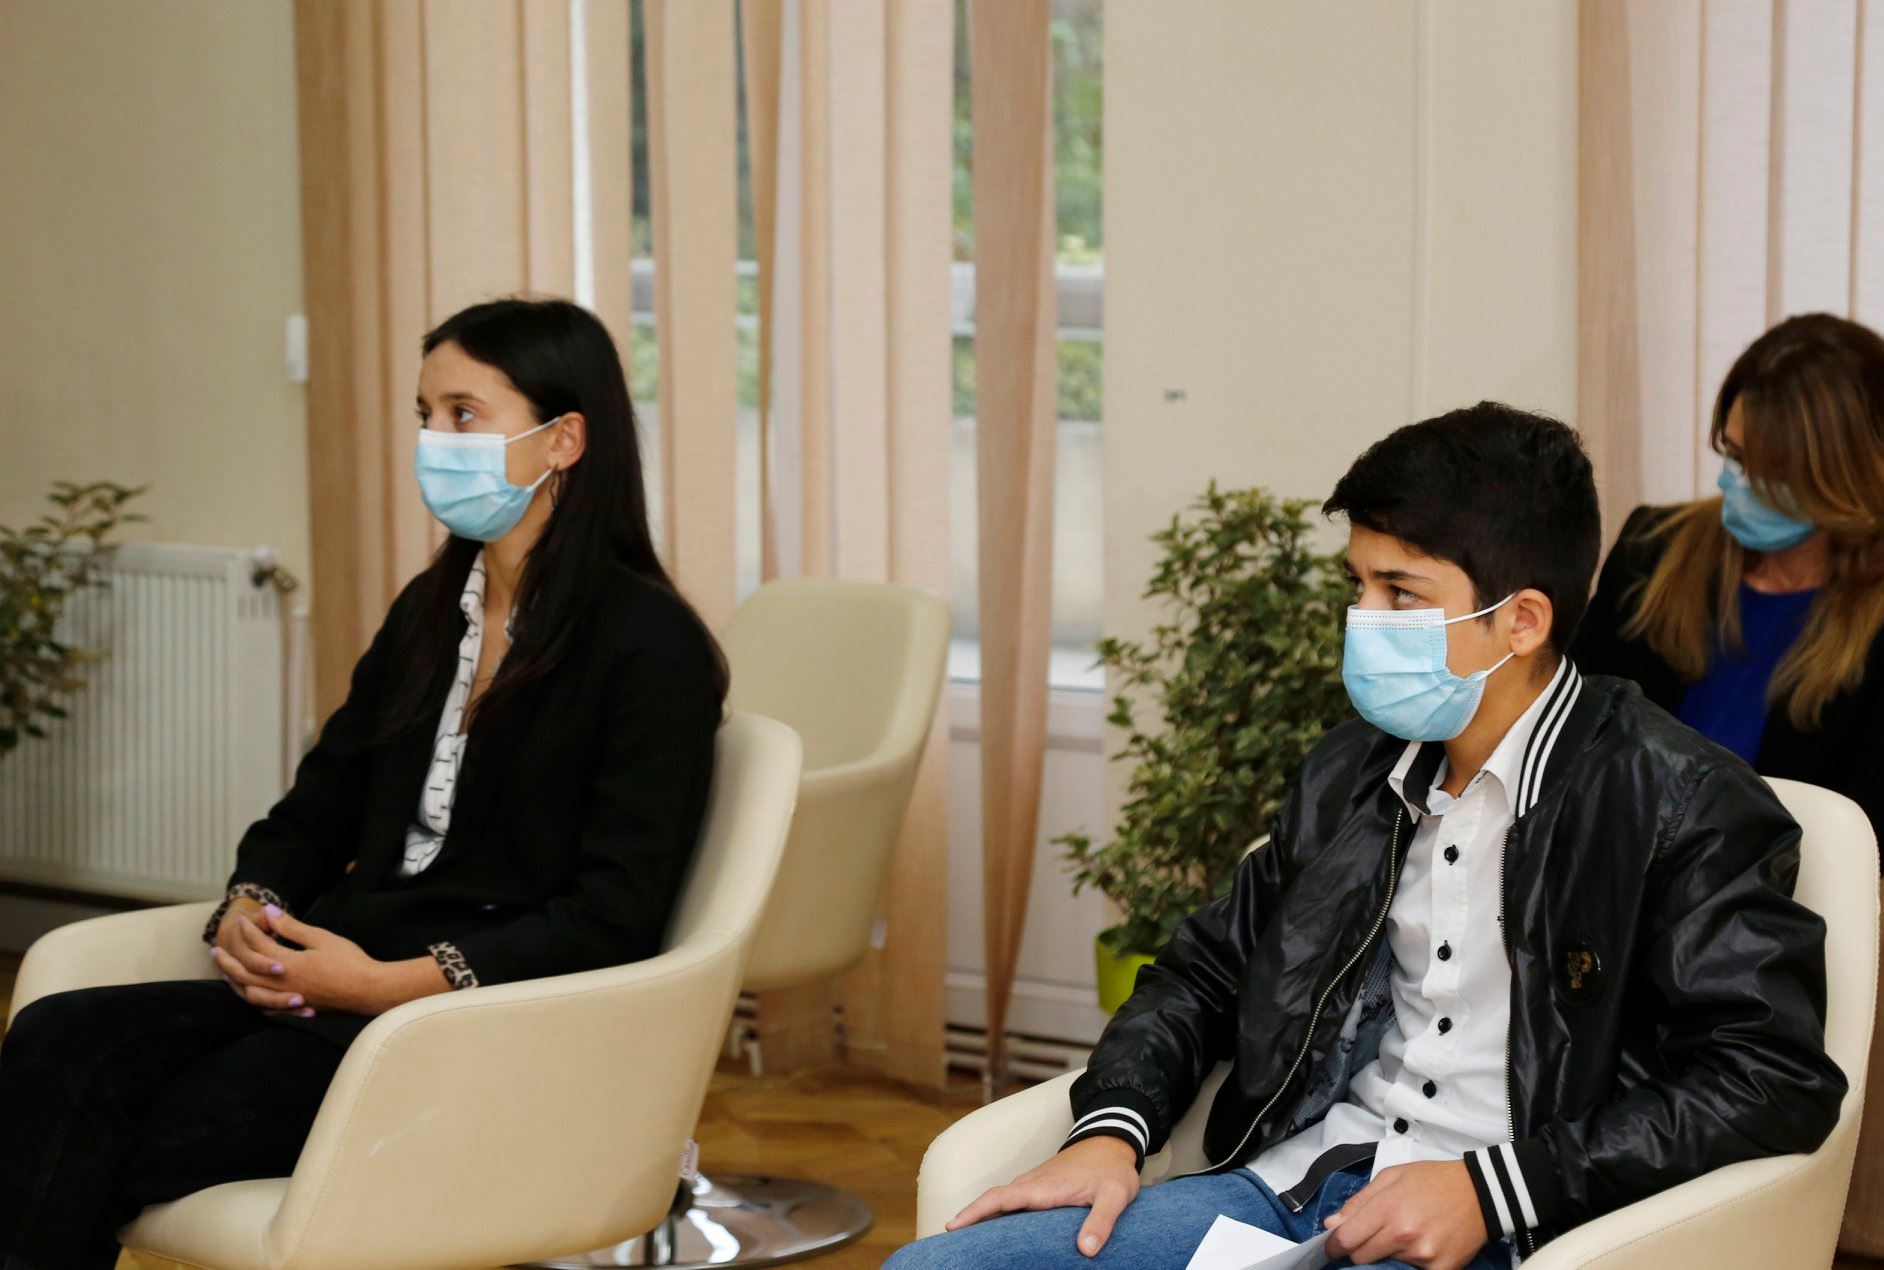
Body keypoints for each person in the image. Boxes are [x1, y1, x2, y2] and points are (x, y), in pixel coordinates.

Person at [889, 404, 1843, 1270]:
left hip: (1514, 1228)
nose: (1362, 621)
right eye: (1358, 584)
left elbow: (1769, 1078)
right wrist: (1111, 1129)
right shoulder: (1352, 771)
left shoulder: (1682, 801)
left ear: (1521, 621)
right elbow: (1205, 973)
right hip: (1298, 1186)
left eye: (1400, 593)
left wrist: (1495, 1190)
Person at [0, 298, 728, 1267]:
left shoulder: (649, 644)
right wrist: (250, 905)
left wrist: (387, 986)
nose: (435, 441)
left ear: (564, 439)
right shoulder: (430, 611)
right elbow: (320, 801)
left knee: (101, 1128)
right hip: (336, 979)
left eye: (463, 414)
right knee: (55, 1038)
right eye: (425, 414)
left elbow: (614, 914)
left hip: (481, 1019)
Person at [1573, 312, 1884, 844]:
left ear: (1846, 476)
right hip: (1617, 868)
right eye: (1736, 456)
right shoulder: (1653, 550)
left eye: (1774, 472)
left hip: (1792, 889)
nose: (1739, 482)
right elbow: (1570, 733)